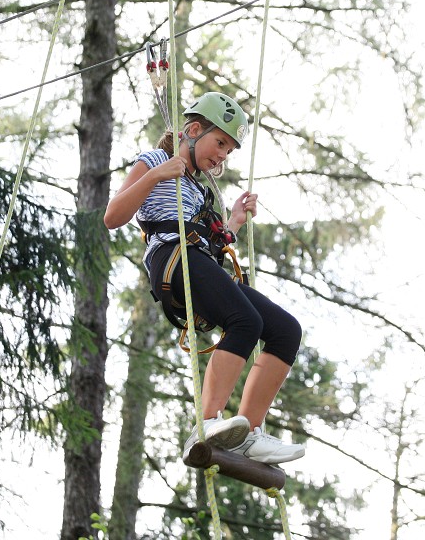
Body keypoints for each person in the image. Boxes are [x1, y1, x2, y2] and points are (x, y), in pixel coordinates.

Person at [103, 92, 304, 465]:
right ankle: (206, 421)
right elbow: (113, 216)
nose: (222, 155)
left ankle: (250, 433)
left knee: (284, 329)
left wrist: (233, 223)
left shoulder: (199, 187)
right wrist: (157, 175)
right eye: (220, 143)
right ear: (193, 130)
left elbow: (210, 245)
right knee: (245, 322)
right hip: (171, 258)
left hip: (197, 258)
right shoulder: (156, 160)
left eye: (229, 150)